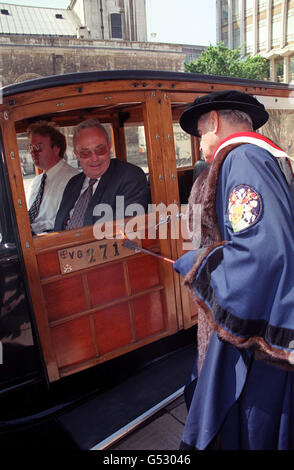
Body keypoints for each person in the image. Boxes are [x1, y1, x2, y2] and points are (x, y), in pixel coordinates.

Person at [173, 89, 294, 450]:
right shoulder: (266, 157)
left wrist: (200, 265)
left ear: (213, 121)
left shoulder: (242, 159)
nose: (199, 146)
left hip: (262, 332)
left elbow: (264, 251)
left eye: (199, 135)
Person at [54, 119, 149, 231]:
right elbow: (59, 227)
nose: (94, 158)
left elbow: (123, 230)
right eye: (85, 153)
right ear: (76, 155)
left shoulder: (129, 177)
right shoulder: (73, 183)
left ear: (109, 148)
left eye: (100, 150)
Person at [27, 121, 79, 234]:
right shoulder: (36, 182)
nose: (33, 152)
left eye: (39, 147)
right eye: (31, 148)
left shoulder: (74, 179)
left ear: (56, 148)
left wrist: (31, 228)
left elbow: (67, 220)